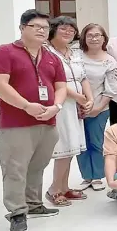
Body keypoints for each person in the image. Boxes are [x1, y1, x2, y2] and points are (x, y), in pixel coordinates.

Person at [0, 9, 64, 230]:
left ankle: (33, 204)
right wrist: (26, 106)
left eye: (45, 27)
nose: (42, 31)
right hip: (16, 123)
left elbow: (61, 87)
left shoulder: (51, 57)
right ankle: (17, 212)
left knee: (38, 166)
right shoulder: (4, 52)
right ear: (22, 28)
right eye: (36, 27)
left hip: (47, 122)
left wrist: (56, 107)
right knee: (15, 168)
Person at [42, 16, 89, 207]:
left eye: (71, 29)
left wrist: (89, 99)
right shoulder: (47, 52)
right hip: (61, 104)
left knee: (72, 148)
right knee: (63, 148)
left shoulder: (74, 52)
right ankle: (54, 190)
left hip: (76, 105)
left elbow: (83, 77)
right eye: (63, 28)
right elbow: (54, 82)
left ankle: (64, 186)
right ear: (53, 30)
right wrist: (78, 97)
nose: (68, 32)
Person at [76, 23, 117, 191]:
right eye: (90, 35)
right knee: (80, 143)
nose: (94, 38)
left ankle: (97, 176)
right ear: (84, 38)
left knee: (96, 142)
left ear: (104, 39)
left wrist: (97, 107)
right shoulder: (76, 56)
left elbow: (111, 88)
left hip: (99, 108)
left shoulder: (109, 60)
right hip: (76, 107)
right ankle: (86, 176)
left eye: (98, 35)